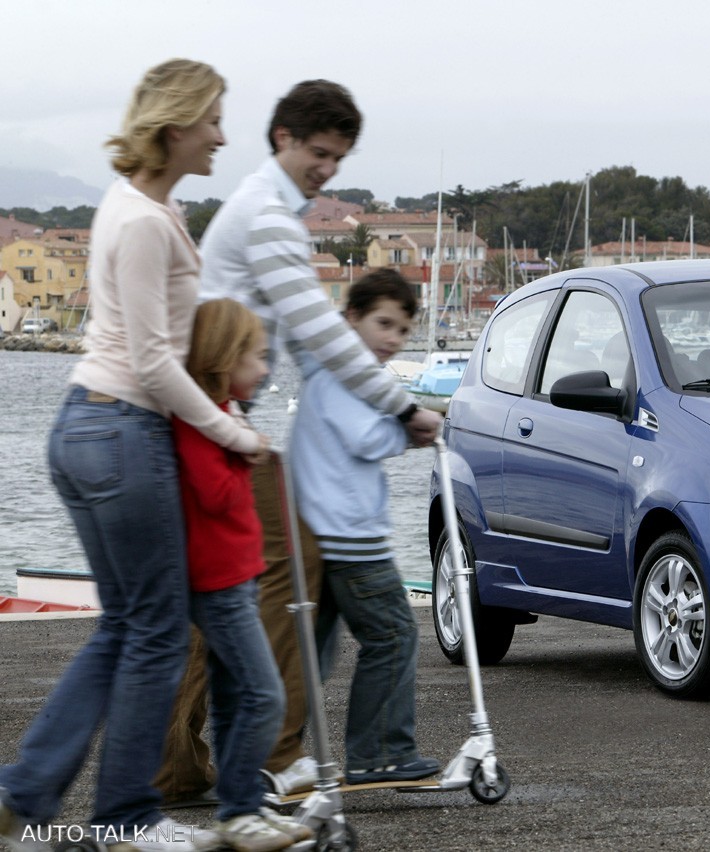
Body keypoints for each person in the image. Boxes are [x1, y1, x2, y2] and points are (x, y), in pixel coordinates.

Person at [0, 59, 268, 852]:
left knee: (127, 624)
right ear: (176, 124)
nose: (221, 135)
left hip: (84, 428)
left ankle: (25, 795)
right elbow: (153, 362)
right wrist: (232, 432)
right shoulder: (148, 221)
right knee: (156, 630)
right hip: (125, 431)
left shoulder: (136, 204)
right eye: (213, 120)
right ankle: (125, 818)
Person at [157, 79, 442, 803]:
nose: (327, 170)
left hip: (219, 415)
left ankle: (181, 763)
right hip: (215, 415)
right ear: (282, 136)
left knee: (222, 597)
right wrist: (403, 408)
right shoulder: (268, 218)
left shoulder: (264, 210)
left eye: (338, 159)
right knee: (290, 571)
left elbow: (307, 339)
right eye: (319, 153)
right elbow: (322, 332)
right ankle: (275, 755)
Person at [173, 299, 312, 851]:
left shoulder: (220, 414)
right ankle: (240, 806)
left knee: (239, 696)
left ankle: (241, 808)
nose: (266, 368)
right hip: (219, 583)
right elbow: (215, 494)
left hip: (234, 577)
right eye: (256, 357)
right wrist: (246, 450)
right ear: (223, 360)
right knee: (261, 695)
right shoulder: (208, 424)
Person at [292, 268, 438, 782]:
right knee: (393, 635)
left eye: (402, 330)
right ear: (351, 317)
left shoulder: (327, 373)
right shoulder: (341, 375)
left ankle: (276, 756)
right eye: (383, 323)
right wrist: (410, 431)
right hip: (350, 537)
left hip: (323, 532)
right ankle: (379, 752)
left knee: (313, 652)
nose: (392, 339)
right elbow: (365, 439)